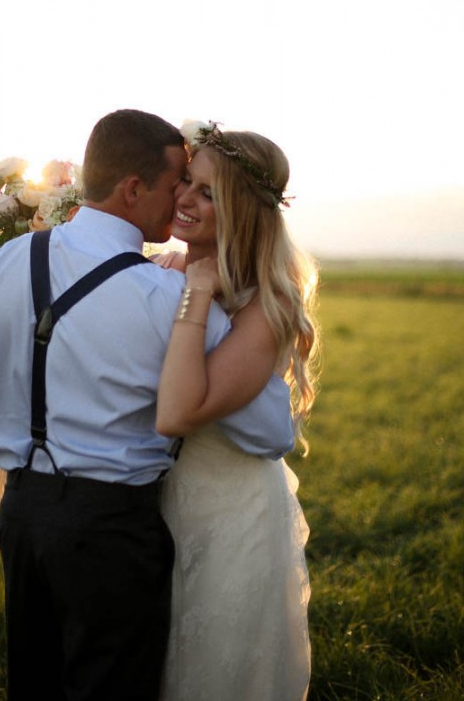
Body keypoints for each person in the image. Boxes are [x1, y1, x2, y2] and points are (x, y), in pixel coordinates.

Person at [0, 109, 296, 701]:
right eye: (178, 180)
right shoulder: (169, 297)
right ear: (134, 189)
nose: (181, 196)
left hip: (21, 518)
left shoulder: (3, 265)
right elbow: (267, 428)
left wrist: (40, 411)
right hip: (112, 529)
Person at [154, 121, 318, 701]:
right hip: (163, 503)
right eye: (185, 183)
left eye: (207, 193)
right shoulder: (161, 268)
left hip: (231, 514)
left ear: (243, 211)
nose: (184, 200)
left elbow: (188, 406)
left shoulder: (265, 302)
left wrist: (199, 294)